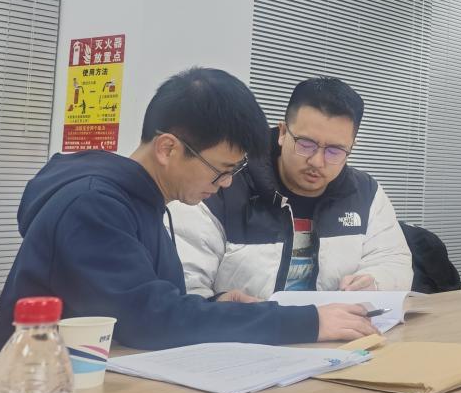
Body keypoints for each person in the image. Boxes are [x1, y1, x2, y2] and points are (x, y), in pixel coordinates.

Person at [0, 68, 378, 353]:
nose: (227, 184)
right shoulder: (92, 206)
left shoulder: (142, 203)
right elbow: (150, 320)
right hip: (40, 391)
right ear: (168, 149)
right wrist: (306, 322)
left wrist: (214, 304)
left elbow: (146, 301)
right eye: (221, 170)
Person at [171, 77, 413, 299]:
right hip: (246, 330)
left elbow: (394, 260)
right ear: (283, 133)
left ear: (351, 147)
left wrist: (375, 281)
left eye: (335, 151)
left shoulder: (366, 194)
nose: (317, 161)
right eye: (306, 144)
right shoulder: (220, 187)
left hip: (336, 329)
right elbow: (182, 285)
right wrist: (221, 306)